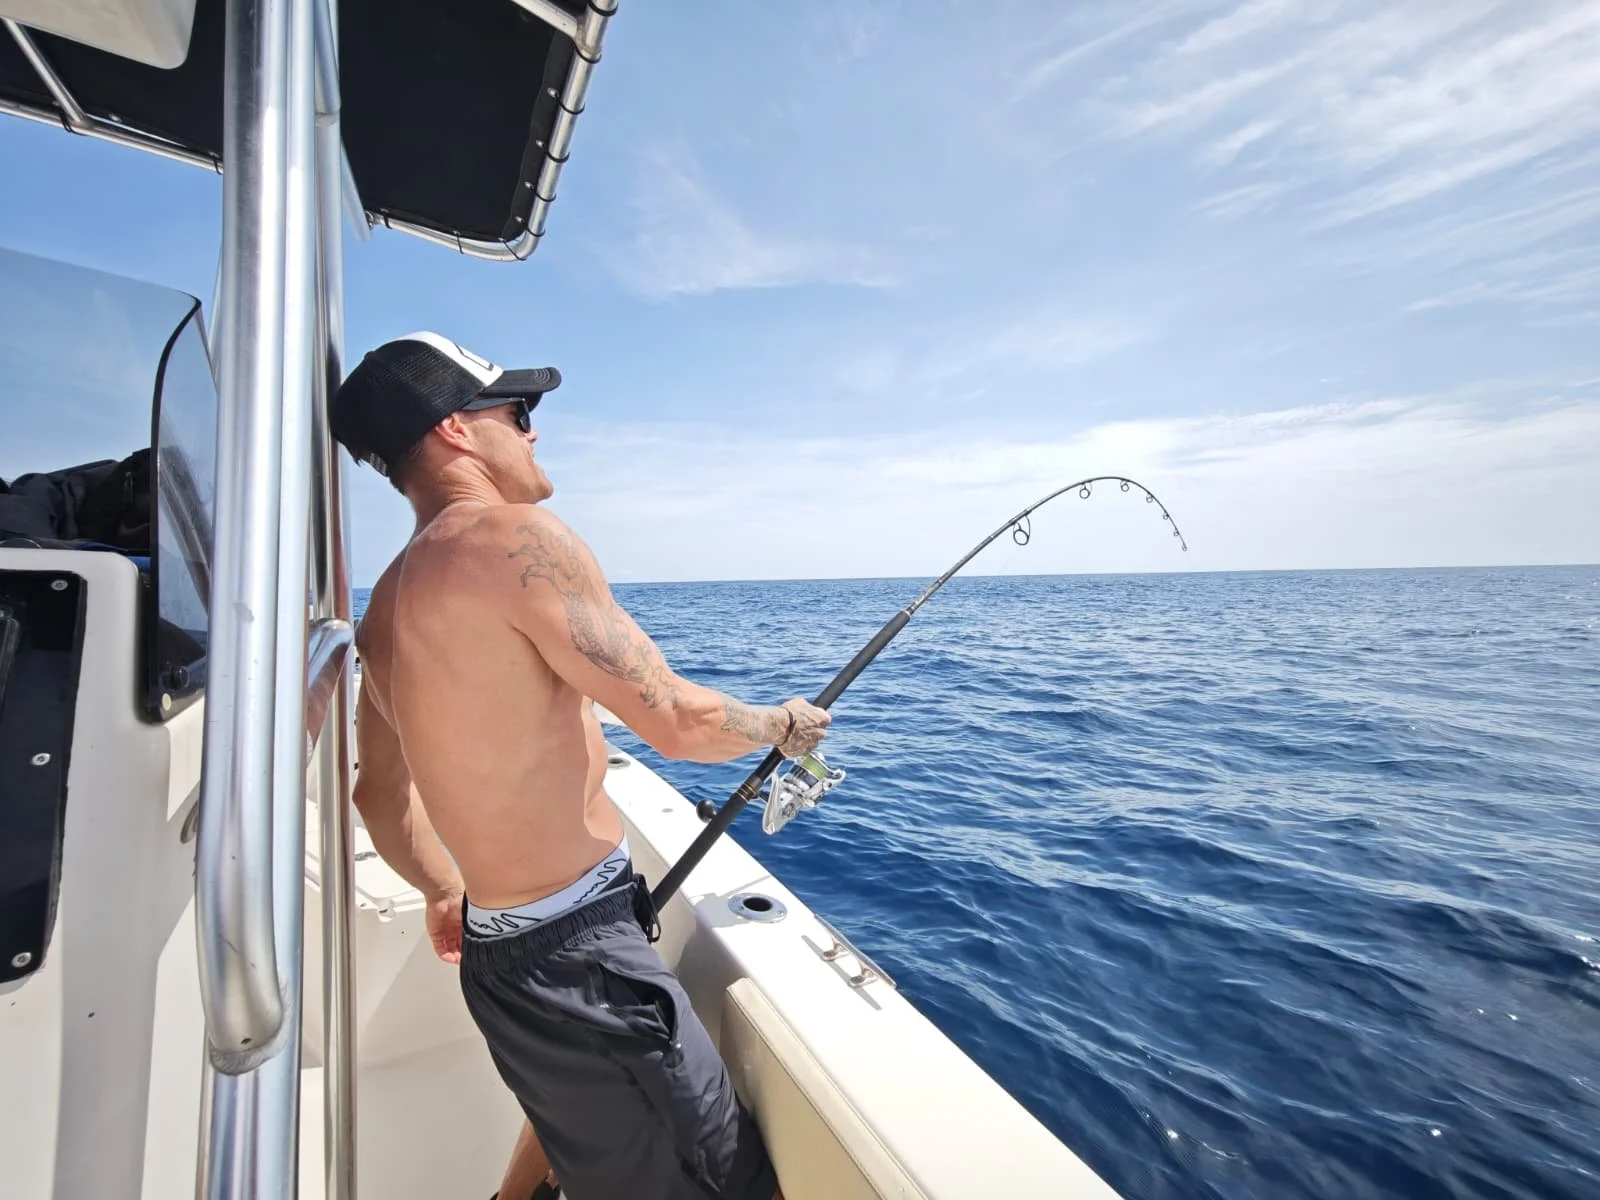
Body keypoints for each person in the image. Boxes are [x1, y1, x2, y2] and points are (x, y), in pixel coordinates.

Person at [332, 332, 829, 1200]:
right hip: (584, 966)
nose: (533, 432)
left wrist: (444, 892)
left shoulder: (385, 609)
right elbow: (677, 722)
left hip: (499, 962)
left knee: (573, 1136)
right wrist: (781, 724)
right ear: (455, 428)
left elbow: (378, 795)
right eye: (518, 411)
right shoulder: (516, 539)